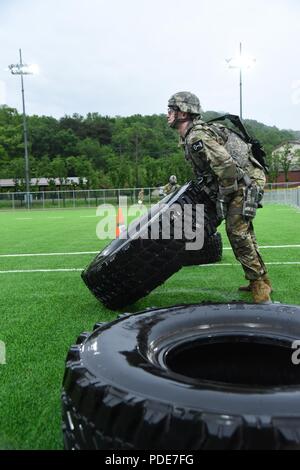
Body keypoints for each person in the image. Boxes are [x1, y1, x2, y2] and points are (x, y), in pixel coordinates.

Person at [167, 91, 272, 304]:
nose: (167, 114)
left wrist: (223, 197)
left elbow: (226, 166)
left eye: (172, 110)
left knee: (237, 232)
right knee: (244, 231)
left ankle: (260, 286)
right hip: (241, 180)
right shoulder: (190, 136)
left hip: (245, 181)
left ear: (184, 113)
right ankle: (261, 280)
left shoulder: (198, 136)